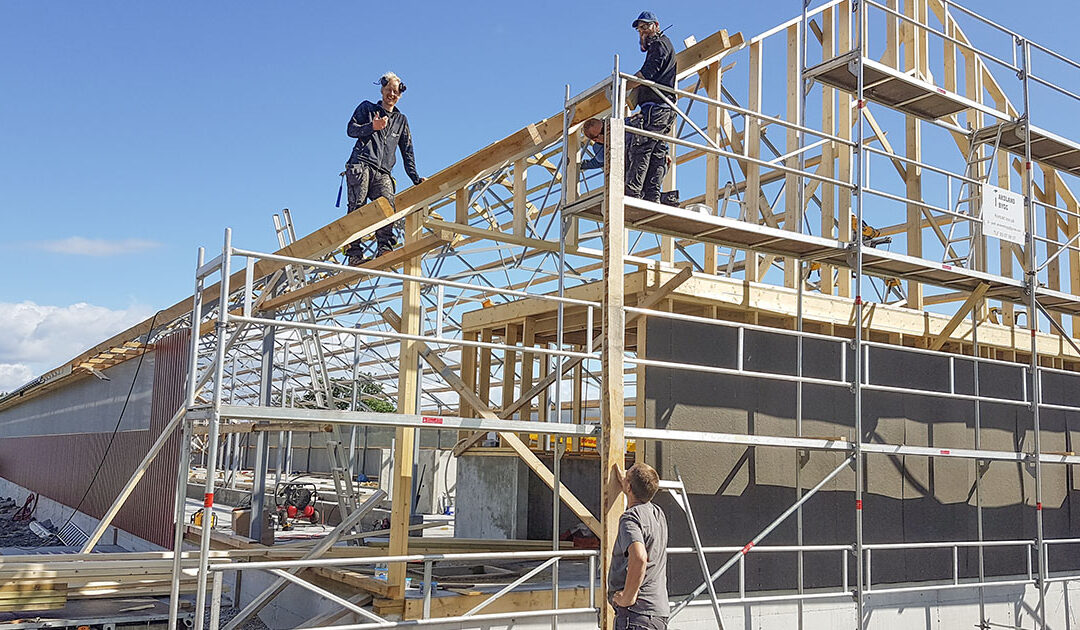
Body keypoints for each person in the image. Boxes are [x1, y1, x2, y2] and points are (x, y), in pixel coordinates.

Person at [343, 72, 425, 265]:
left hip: (383, 172)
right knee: (357, 209)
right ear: (382, 90)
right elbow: (351, 130)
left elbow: (407, 150)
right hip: (361, 165)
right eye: (388, 90)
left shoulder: (401, 120)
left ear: (400, 95)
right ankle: (355, 255)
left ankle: (384, 249)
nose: (392, 95)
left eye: (395, 92)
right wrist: (373, 126)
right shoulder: (367, 108)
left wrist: (415, 178)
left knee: (387, 207)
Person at [610, 462, 669, 629]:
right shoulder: (658, 514)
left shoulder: (630, 518)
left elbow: (639, 557)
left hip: (636, 616)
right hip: (658, 615)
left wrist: (627, 597)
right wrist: (629, 482)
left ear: (629, 487)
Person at [626, 11, 676, 203]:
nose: (642, 32)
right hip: (660, 108)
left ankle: (633, 194)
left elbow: (648, 73)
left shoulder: (659, 44)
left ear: (656, 25)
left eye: (646, 27)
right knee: (656, 152)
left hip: (657, 108)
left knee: (642, 148)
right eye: (640, 29)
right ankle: (652, 196)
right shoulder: (661, 45)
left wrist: (623, 84)